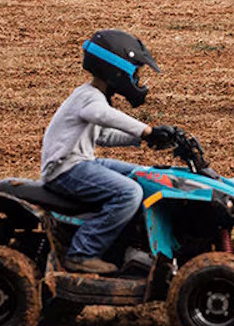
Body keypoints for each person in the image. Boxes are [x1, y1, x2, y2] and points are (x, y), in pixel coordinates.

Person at [41, 29, 160, 275]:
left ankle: (133, 244)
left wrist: (144, 138)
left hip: (81, 163)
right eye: (135, 72)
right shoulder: (90, 99)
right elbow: (103, 116)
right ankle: (82, 253)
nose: (138, 79)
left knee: (143, 175)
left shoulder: (92, 97)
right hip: (65, 170)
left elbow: (103, 135)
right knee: (129, 193)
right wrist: (146, 130)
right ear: (117, 70)